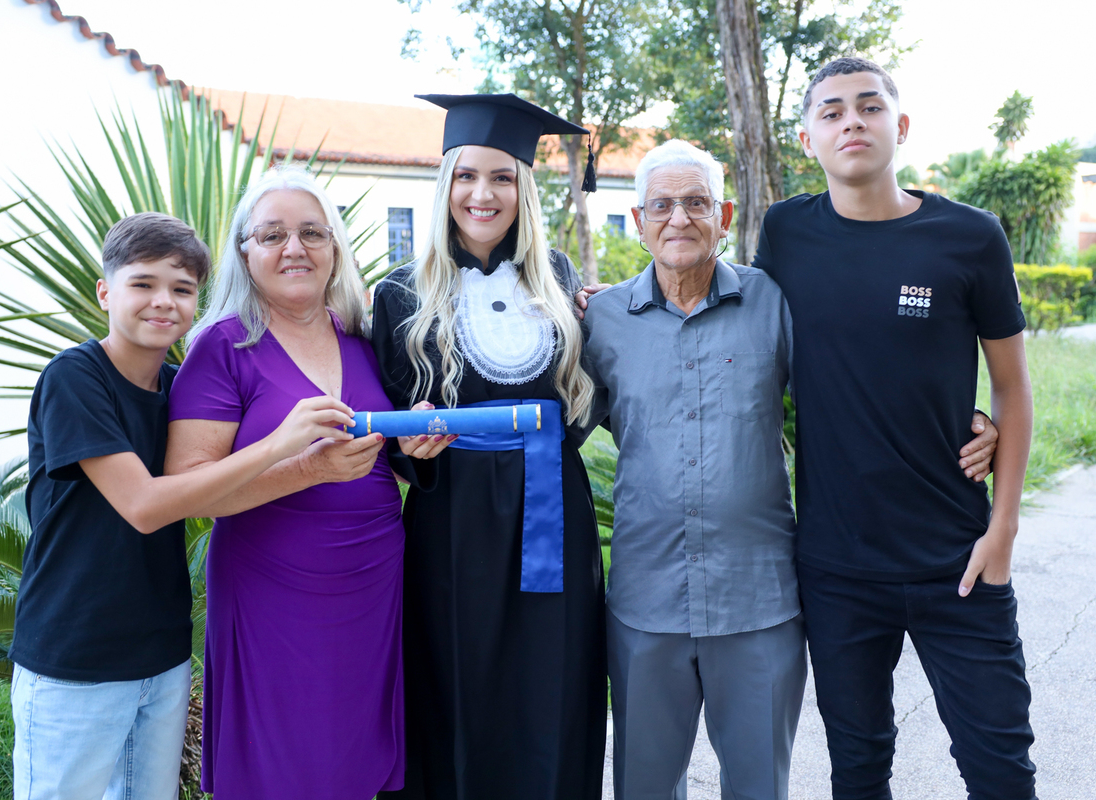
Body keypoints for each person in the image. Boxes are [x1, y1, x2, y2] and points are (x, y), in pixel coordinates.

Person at [753, 57, 1036, 800]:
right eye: (832, 112)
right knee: (858, 769)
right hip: (837, 567)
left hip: (958, 557)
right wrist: (612, 304)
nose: (852, 121)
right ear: (808, 139)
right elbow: (736, 329)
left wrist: (1003, 529)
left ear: (900, 125)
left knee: (1000, 768)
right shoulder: (786, 232)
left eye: (869, 106)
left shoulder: (970, 236)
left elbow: (1011, 386)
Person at [12, 212, 349, 800]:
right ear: (105, 292)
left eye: (182, 289)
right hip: (74, 656)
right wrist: (280, 446)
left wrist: (317, 466)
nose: (163, 302)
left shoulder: (179, 387)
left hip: (163, 655)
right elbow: (144, 505)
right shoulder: (75, 378)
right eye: (143, 284)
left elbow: (216, 492)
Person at [164, 168, 448, 799]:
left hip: (372, 585)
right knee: (280, 767)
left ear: (335, 249)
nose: (294, 248)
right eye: (273, 235)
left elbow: (386, 449)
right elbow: (188, 489)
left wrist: (412, 445)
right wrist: (308, 469)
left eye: (312, 233)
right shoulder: (222, 347)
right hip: (271, 591)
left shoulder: (365, 339)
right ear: (245, 253)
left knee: (354, 764)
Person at [371, 93, 606, 800]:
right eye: (467, 175)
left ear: (523, 188)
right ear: (446, 183)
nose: (483, 193)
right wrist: (411, 446)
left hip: (552, 516)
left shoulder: (559, 280)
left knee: (552, 682)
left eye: (502, 177)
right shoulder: (400, 295)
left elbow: (582, 403)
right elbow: (389, 420)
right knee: (457, 682)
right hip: (454, 520)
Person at [582, 139, 806, 800]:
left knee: (760, 786)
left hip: (758, 599)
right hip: (646, 600)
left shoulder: (773, 303)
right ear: (639, 219)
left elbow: (845, 405)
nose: (678, 218)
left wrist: (962, 420)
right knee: (645, 787)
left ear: (724, 214)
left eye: (696, 202)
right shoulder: (602, 319)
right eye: (661, 205)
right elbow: (555, 426)